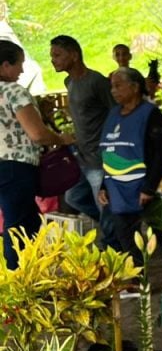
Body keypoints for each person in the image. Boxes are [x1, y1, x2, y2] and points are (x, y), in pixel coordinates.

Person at [0, 38, 74, 267]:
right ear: (5, 66)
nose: (22, 70)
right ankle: (19, 281)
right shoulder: (13, 91)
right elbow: (37, 134)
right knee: (19, 227)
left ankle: (27, 275)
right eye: (19, 64)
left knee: (24, 220)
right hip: (17, 166)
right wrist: (61, 138)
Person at [97, 68, 162, 272]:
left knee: (161, 233)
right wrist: (104, 185)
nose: (113, 91)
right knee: (126, 237)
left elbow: (160, 154)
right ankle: (138, 279)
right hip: (118, 188)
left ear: (135, 87)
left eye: (118, 85)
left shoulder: (150, 114)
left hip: (150, 186)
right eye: (112, 86)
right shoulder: (113, 114)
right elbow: (110, 150)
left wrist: (148, 188)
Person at [50, 34, 117, 246]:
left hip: (99, 156)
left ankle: (113, 245)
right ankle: (115, 225)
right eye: (52, 56)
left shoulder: (96, 81)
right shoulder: (68, 81)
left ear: (74, 55)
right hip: (81, 155)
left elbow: (115, 112)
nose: (53, 60)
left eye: (58, 55)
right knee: (73, 198)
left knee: (103, 203)